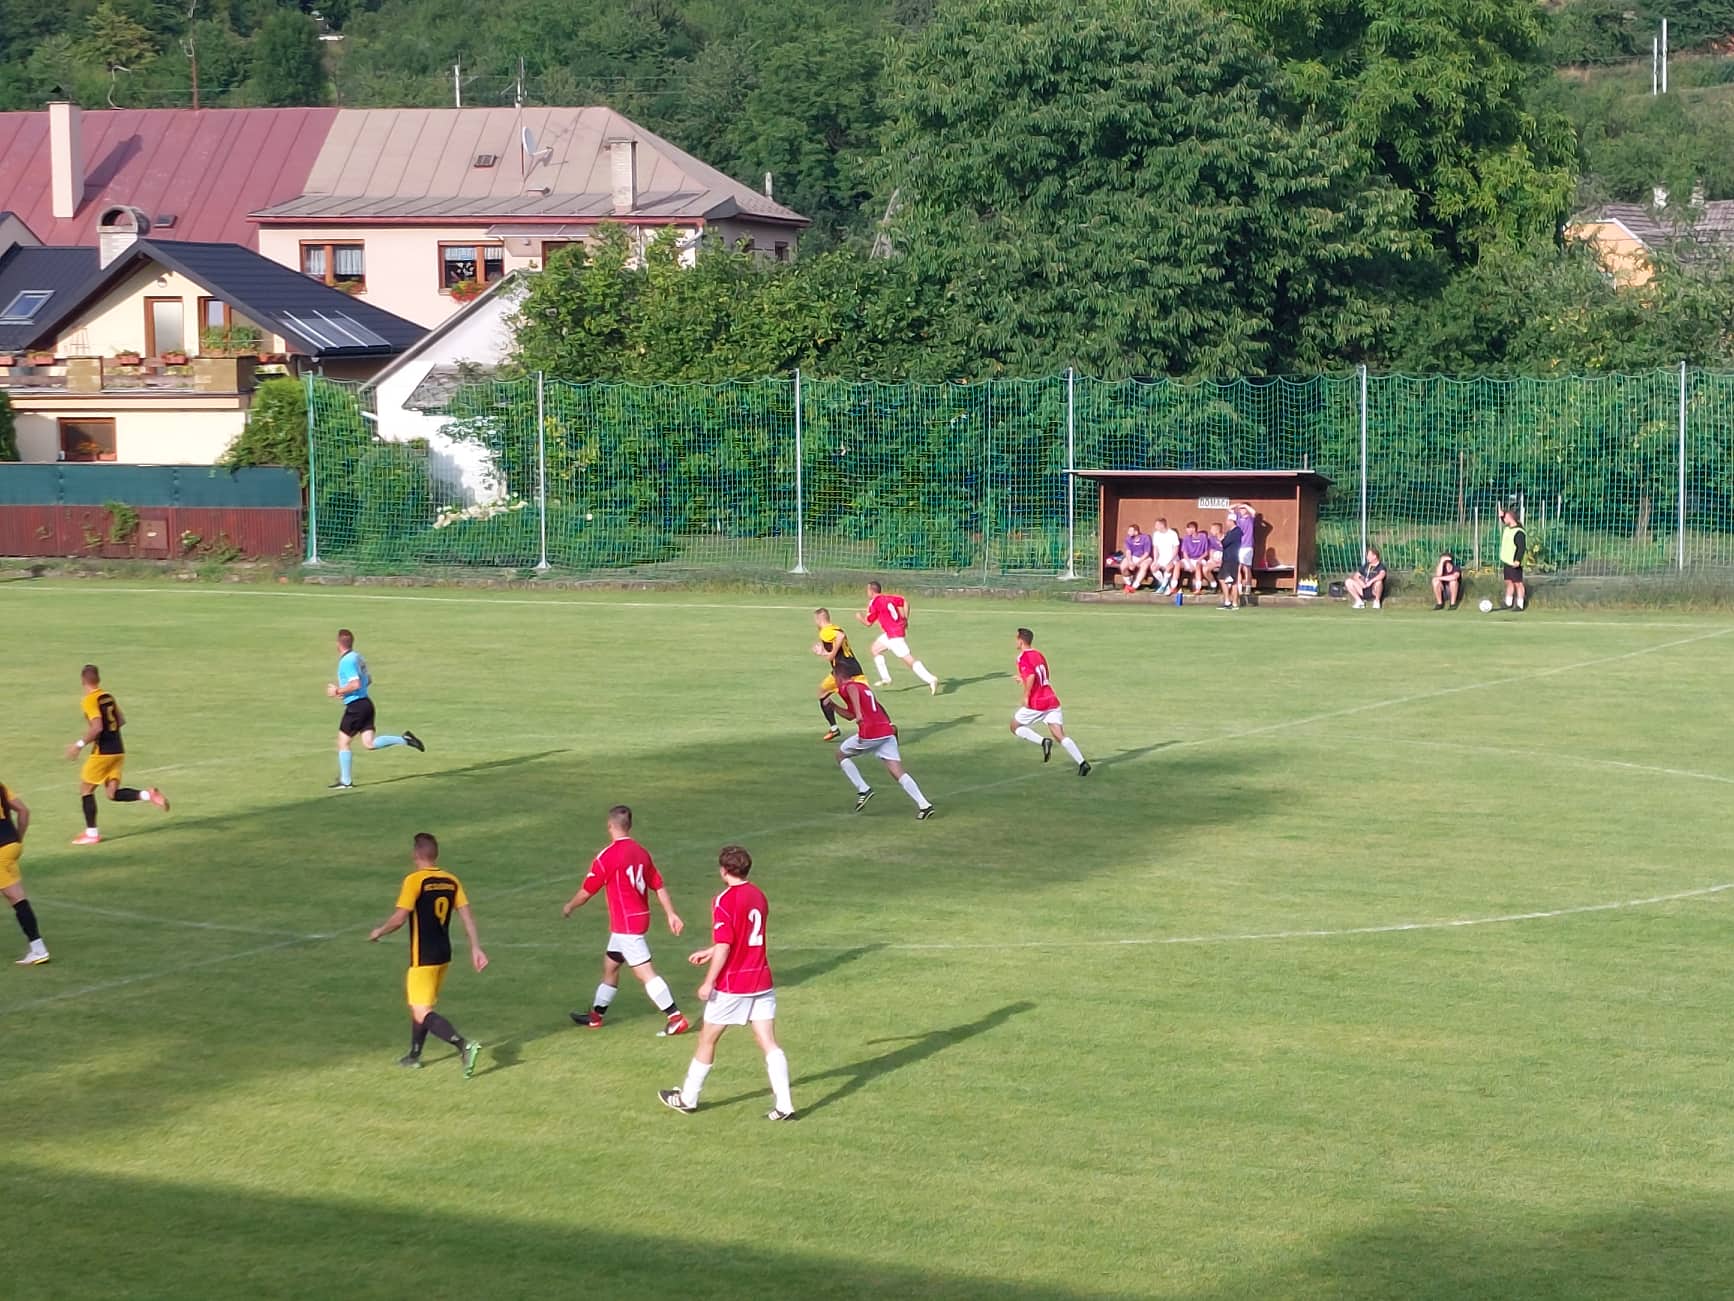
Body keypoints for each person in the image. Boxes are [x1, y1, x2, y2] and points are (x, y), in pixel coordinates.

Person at [659, 844, 794, 1120]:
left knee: (707, 1039)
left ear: (723, 870)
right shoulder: (759, 896)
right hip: (761, 980)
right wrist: (710, 951)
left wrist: (708, 982)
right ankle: (785, 1105)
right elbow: (743, 937)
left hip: (734, 984)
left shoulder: (724, 900)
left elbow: (726, 945)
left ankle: (688, 1098)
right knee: (768, 1041)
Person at [563, 805, 689, 1036]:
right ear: (629, 826)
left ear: (609, 826)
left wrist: (570, 905)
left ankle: (676, 1017)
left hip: (626, 925)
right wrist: (671, 913)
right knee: (611, 966)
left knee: (645, 973)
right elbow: (658, 884)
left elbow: (587, 891)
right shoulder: (641, 852)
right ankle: (595, 1017)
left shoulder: (607, 857)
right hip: (636, 919)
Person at [369, 831, 486, 1076]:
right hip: (443, 954)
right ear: (436, 855)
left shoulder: (415, 881)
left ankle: (463, 1045)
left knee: (422, 1010)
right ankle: (414, 1055)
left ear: (415, 854)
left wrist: (379, 931)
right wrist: (476, 947)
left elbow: (399, 919)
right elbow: (467, 916)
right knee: (421, 1006)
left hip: (423, 956)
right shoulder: (451, 881)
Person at [65, 665, 168, 846]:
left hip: (103, 753)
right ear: (98, 679)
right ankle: (148, 795)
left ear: (83, 681)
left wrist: (79, 745)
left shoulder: (89, 700)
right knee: (112, 793)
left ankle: (92, 834)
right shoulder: (107, 696)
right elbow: (120, 720)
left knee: (86, 790)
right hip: (118, 750)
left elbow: (97, 727)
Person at [326, 629, 424, 790]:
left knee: (343, 742)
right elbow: (368, 680)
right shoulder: (358, 657)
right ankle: (405, 739)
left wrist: (338, 691)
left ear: (338, 644)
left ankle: (346, 782)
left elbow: (356, 684)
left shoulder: (346, 661)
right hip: (366, 704)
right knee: (369, 743)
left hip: (356, 707)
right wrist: (347, 692)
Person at [831, 675, 936, 819]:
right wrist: (833, 706)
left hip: (871, 733)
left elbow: (852, 690)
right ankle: (924, 805)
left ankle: (863, 789)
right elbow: (850, 715)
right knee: (898, 772)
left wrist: (859, 715)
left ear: (838, 675)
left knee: (840, 754)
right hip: (886, 732)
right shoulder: (864, 687)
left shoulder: (847, 686)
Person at [1009, 628, 1090, 776]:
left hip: (1037, 702)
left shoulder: (1022, 657)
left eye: (1016, 639)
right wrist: (1023, 679)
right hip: (1051, 699)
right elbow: (1043, 675)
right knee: (1059, 735)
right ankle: (1082, 763)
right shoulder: (1039, 654)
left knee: (1014, 726)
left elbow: (1031, 676)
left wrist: (1026, 695)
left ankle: (1043, 741)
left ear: (1021, 641)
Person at [859, 582, 940, 694]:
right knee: (875, 649)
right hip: (891, 633)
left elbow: (868, 623)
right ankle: (886, 678)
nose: (867, 593)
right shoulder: (889, 597)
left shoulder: (874, 603)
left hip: (894, 636)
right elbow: (905, 602)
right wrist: (905, 619)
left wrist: (859, 617)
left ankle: (931, 679)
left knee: (909, 660)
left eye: (867, 590)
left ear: (871, 591)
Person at [0, 781, 47, 965]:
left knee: (16, 899)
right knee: (18, 899)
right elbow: (24, 811)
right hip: (12, 846)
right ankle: (37, 948)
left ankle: (39, 949)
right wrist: (17, 838)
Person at [813, 608, 868, 742]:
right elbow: (838, 646)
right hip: (848, 668)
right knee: (822, 692)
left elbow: (840, 637)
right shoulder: (834, 627)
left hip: (845, 672)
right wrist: (824, 652)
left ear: (819, 620)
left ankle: (878, 729)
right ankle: (834, 729)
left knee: (860, 706)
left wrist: (830, 654)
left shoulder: (826, 632)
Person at [1500, 511, 1527, 611]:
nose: (1504, 519)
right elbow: (1503, 520)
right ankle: (1508, 602)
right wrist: (1501, 515)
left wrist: (1517, 560)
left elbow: (1521, 548)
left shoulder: (1519, 532)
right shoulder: (1507, 529)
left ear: (1511, 518)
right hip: (1507, 561)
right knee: (1509, 582)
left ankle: (1520, 604)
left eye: (1505, 517)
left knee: (1518, 583)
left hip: (1514, 562)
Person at [1216, 513, 1243, 610]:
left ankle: (1232, 602)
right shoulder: (1231, 532)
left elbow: (1225, 543)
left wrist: (1220, 538)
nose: (1226, 522)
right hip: (1227, 558)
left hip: (1231, 559)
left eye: (1228, 520)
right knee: (1224, 579)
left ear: (1232, 521)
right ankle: (1229, 602)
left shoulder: (1236, 532)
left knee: (1230, 581)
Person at [1117, 524, 1153, 593]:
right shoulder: (1128, 539)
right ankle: (1128, 583)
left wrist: (1138, 562)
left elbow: (1147, 553)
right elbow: (1128, 552)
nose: (1128, 532)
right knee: (1122, 566)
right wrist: (1130, 562)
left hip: (1144, 558)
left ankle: (1135, 586)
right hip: (1133, 557)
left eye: (1130, 531)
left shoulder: (1145, 538)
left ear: (1136, 532)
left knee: (1144, 566)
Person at [1150, 518, 1181, 595]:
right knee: (1153, 568)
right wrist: (1155, 560)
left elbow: (1176, 548)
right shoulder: (1156, 534)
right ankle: (1165, 586)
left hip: (1172, 558)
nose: (1155, 527)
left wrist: (1171, 560)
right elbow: (1155, 548)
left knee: (1168, 567)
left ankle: (1163, 586)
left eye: (1157, 525)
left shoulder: (1172, 534)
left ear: (1162, 525)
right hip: (1161, 558)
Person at [1179, 522, 1211, 594]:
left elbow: (1206, 552)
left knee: (1198, 565)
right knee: (1178, 564)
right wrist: (1190, 564)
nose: (1186, 530)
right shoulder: (1186, 538)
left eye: (1188, 529)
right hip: (1189, 560)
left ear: (1193, 529)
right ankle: (1174, 586)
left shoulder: (1203, 537)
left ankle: (1198, 588)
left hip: (1200, 559)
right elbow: (1185, 554)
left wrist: (1199, 559)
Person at [1232, 502, 1258, 593]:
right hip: (1238, 546)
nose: (1241, 510)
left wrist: (1246, 506)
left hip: (1248, 546)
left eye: (1243, 509)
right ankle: (1239, 588)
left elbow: (1254, 512)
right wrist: (1238, 505)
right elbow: (1229, 509)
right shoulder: (1238, 517)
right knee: (1238, 567)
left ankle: (1248, 587)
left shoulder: (1250, 518)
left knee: (1246, 567)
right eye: (1240, 509)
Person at [1203, 523, 1226, 592]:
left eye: (1212, 529)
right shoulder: (1211, 538)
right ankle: (1213, 585)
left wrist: (1222, 561)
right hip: (1215, 558)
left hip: (1225, 559)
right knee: (1205, 569)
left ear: (1217, 530)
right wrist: (1212, 560)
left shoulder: (1227, 538)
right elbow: (1211, 550)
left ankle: (1227, 587)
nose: (1210, 531)